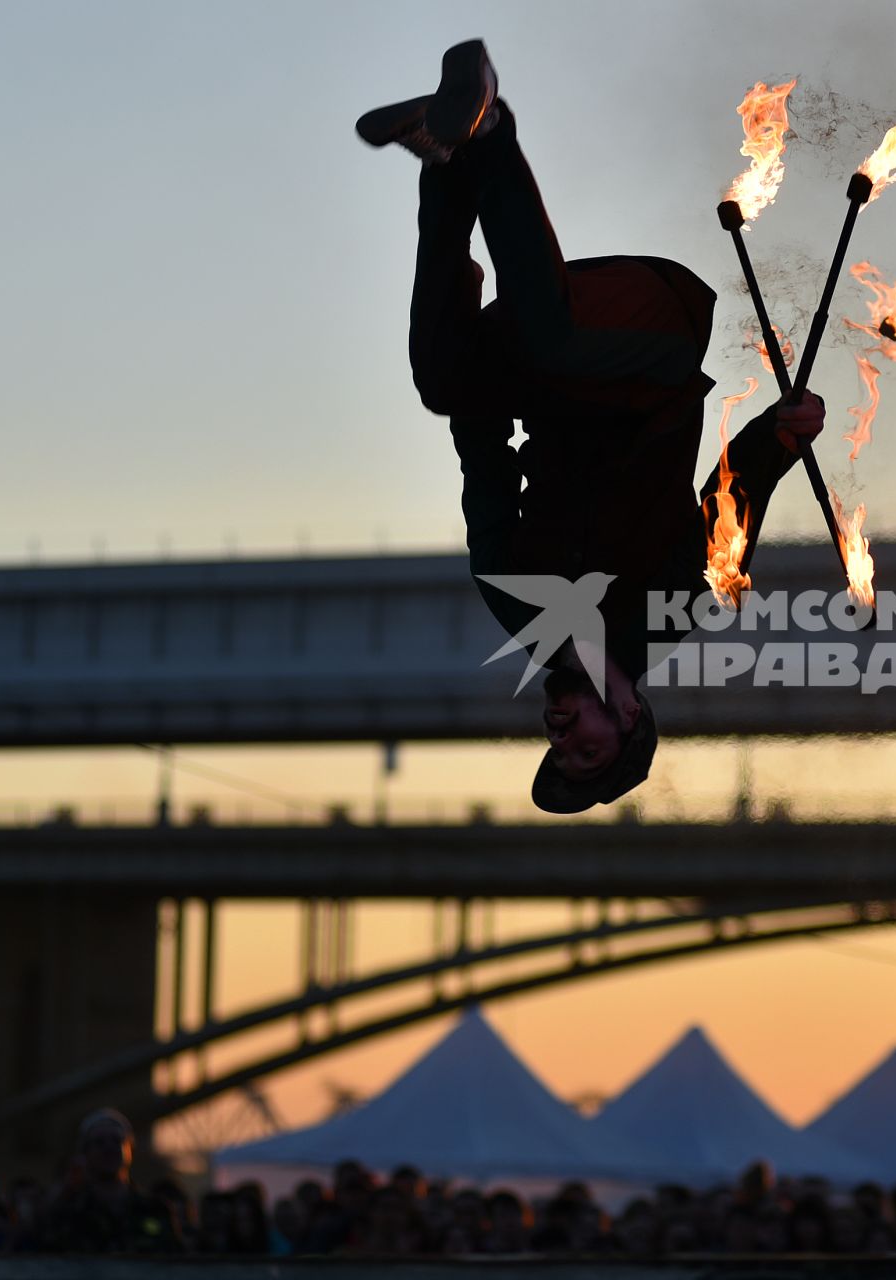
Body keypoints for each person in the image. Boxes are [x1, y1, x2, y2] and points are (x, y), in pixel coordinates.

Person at [357, 40, 824, 812]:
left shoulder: (517, 608)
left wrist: (464, 363)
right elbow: (730, 499)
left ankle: (447, 162)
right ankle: (489, 131)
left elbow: (485, 464)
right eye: (587, 747)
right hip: (651, 341)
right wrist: (784, 429)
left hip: (556, 363)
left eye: (556, 747)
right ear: (631, 714)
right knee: (548, 340)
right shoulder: (676, 609)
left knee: (443, 381)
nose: (560, 731)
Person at [35, 1109, 182, 1254]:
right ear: (85, 1152)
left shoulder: (155, 1209)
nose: (109, 1148)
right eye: (99, 1142)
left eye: (117, 1141)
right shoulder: (68, 1213)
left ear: (130, 1149)